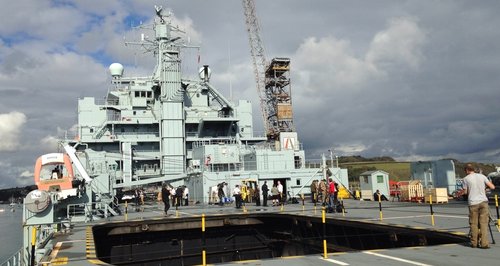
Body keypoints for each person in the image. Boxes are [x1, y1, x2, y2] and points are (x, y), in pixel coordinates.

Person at [463, 163, 495, 249]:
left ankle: (474, 243)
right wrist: (484, 188)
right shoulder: (482, 176)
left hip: (473, 203)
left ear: (466, 170)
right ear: (474, 169)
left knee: (474, 224)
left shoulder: (466, 179)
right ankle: (484, 244)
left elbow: (465, 192)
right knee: (484, 223)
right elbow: (492, 187)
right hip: (483, 202)